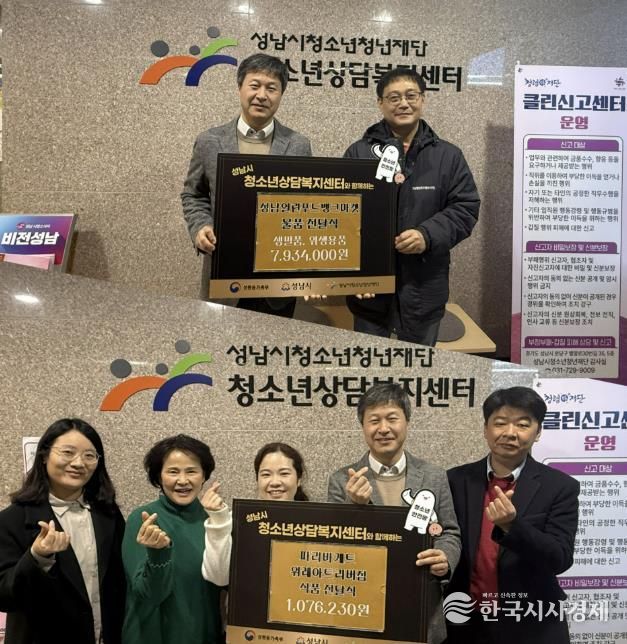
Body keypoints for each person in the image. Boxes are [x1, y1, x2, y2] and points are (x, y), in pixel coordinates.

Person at [343, 68, 480, 346]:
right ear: (380, 103)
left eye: (411, 96)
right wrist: (356, 275)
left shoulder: (448, 156)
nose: (403, 104)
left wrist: (427, 235)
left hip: (424, 290)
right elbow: (342, 214)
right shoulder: (358, 152)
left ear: (423, 99)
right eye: (394, 98)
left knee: (417, 367)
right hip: (370, 291)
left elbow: (465, 207)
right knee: (371, 364)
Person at [327, 383, 461, 644]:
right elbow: (333, 542)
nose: (383, 428)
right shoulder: (342, 480)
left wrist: (445, 557)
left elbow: (449, 531)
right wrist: (355, 507)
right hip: (362, 605)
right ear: (363, 426)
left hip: (422, 606)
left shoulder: (434, 475)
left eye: (392, 418)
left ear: (407, 422)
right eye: (374, 420)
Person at [181, 53, 312, 316]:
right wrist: (200, 226)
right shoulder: (210, 141)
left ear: (281, 94)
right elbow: (194, 194)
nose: (262, 95)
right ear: (239, 87)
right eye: (255, 85)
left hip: (278, 281)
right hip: (225, 273)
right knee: (218, 339)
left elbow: (307, 203)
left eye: (271, 88)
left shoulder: (298, 144)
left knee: (272, 340)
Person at [445, 387, 580, 644]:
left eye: (522, 424)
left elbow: (560, 558)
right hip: (466, 622)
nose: (510, 432)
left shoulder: (560, 487)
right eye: (500, 423)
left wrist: (512, 526)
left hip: (532, 623)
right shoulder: (455, 480)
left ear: (538, 432)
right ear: (486, 429)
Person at [0, 418, 125, 644]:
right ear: (44, 455)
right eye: (68, 452)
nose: (78, 463)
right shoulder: (12, 519)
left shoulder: (108, 514)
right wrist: (37, 557)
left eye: (89, 455)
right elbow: (4, 596)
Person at [122, 435, 230, 644]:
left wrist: (220, 520)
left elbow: (226, 583)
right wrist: (158, 553)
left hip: (203, 634)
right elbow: (150, 595)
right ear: (159, 477)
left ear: (204, 475)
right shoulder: (144, 519)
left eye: (191, 471)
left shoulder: (214, 521)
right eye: (173, 471)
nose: (182, 480)